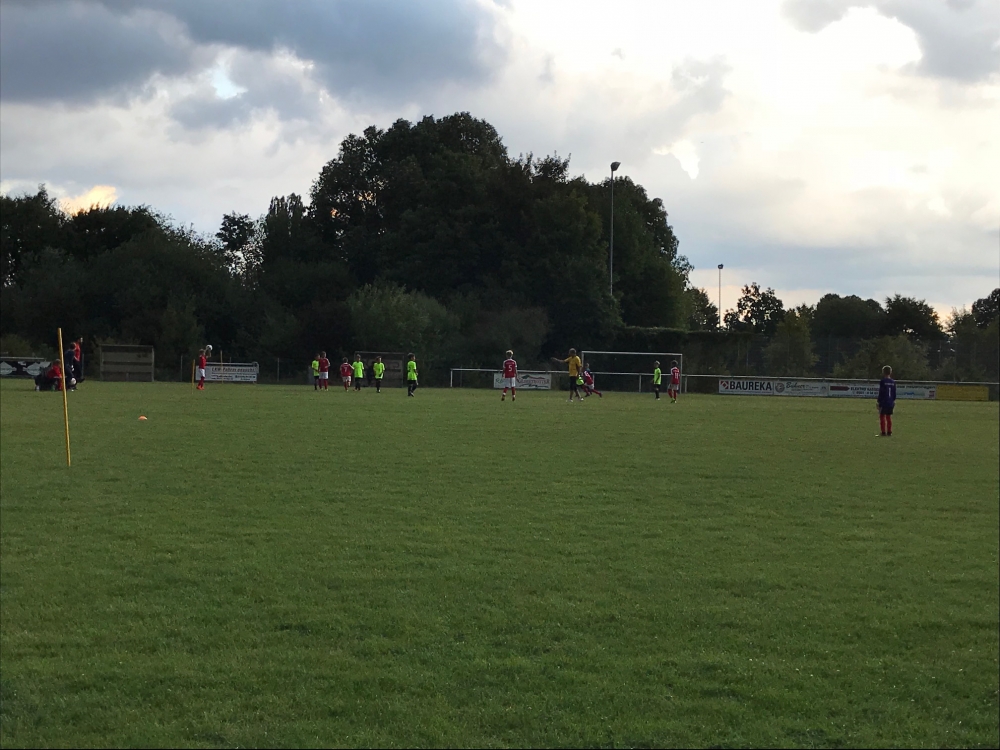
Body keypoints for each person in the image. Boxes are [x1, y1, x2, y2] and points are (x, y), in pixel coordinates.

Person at [877, 365, 896, 437]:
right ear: (890, 372)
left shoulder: (883, 381)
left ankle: (883, 432)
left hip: (884, 401)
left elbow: (881, 392)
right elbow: (894, 393)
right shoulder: (893, 382)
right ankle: (889, 431)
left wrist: (879, 401)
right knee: (888, 417)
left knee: (882, 416)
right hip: (890, 401)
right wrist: (893, 401)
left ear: (883, 372)